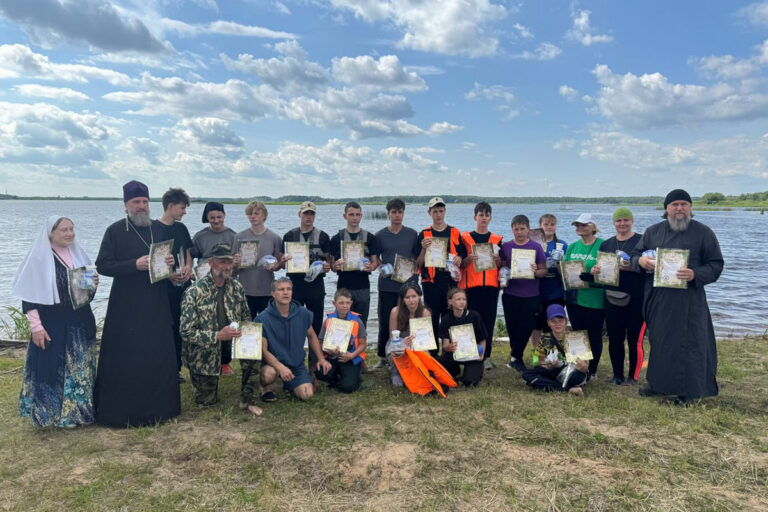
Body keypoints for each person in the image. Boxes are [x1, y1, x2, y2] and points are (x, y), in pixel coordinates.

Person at [94, 180, 180, 427]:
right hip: (126, 306)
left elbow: (166, 263)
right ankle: (125, 411)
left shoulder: (159, 230)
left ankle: (160, 409)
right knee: (128, 356)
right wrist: (134, 265)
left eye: (144, 201)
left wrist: (170, 264)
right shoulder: (114, 231)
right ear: (126, 205)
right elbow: (103, 265)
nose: (141, 206)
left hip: (156, 302)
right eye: (136, 202)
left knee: (156, 353)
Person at [633, 189, 724, 404]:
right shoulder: (653, 231)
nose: (679, 208)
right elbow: (636, 254)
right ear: (666, 209)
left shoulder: (704, 233)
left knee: (689, 344)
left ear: (690, 207)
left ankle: (688, 391)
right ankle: (657, 383)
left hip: (689, 299)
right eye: (674, 205)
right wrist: (641, 262)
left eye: (684, 204)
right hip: (658, 297)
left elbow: (716, 264)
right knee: (659, 340)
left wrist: (695, 274)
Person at [13, 216, 99, 428]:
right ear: (50, 233)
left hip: (79, 320)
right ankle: (50, 415)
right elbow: (30, 297)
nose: (70, 233)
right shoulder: (39, 259)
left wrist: (92, 284)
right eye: (64, 230)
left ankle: (79, 413)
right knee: (53, 369)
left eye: (72, 229)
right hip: (52, 322)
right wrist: (36, 327)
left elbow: (83, 294)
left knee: (79, 368)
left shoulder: (78, 256)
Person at [180, 243, 262, 416]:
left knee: (254, 350)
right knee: (206, 401)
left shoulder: (237, 287)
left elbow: (246, 318)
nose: (227, 266)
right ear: (211, 262)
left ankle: (248, 399)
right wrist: (218, 335)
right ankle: (204, 382)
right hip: (206, 350)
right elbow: (186, 332)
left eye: (230, 262)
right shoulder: (194, 292)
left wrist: (248, 337)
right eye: (222, 262)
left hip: (232, 342)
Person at [256, 277, 331, 401]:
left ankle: (289, 383)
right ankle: (265, 388)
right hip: (272, 364)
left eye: (288, 289)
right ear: (273, 294)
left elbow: (312, 336)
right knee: (269, 375)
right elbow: (263, 351)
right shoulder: (262, 318)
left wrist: (321, 358)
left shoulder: (303, 313)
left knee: (307, 394)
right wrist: (280, 367)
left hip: (295, 364)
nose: (285, 292)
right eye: (281, 290)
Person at [592, 207, 644, 385]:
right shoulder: (606, 244)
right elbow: (602, 271)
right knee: (615, 339)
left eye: (626, 220)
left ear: (632, 221)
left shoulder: (642, 241)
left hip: (636, 298)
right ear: (614, 223)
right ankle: (617, 376)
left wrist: (631, 266)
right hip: (611, 297)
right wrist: (596, 270)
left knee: (634, 340)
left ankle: (633, 377)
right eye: (618, 220)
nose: (622, 224)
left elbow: (650, 269)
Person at [282, 201, 332, 372]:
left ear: (314, 216)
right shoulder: (289, 236)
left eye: (311, 214)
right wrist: (282, 261)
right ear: (300, 215)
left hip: (316, 286)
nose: (308, 217)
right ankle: (293, 364)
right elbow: (282, 262)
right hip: (295, 286)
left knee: (315, 325)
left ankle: (314, 366)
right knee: (293, 324)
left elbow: (329, 262)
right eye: (306, 213)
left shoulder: (323, 236)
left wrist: (327, 266)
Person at [373, 198, 419, 370]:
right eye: (394, 212)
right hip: (387, 285)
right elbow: (375, 258)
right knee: (385, 320)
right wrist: (382, 267)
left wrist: (414, 267)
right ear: (388, 214)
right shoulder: (380, 235)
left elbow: (417, 258)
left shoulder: (412, 234)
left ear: (403, 213)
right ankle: (383, 356)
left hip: (408, 285)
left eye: (400, 212)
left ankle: (411, 350)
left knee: (410, 319)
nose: (397, 215)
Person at [192, 201, 237, 375]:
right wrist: (191, 270)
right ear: (207, 218)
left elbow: (236, 261)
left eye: (219, 217)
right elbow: (191, 255)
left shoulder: (233, 236)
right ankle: (207, 358)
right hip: (205, 285)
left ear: (224, 216)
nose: (216, 220)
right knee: (207, 322)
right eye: (212, 217)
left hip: (225, 284)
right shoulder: (200, 236)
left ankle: (225, 361)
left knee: (225, 319)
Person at [415, 197, 465, 354]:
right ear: (429, 212)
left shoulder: (455, 232)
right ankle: (433, 353)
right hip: (431, 283)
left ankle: (450, 352)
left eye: (441, 211)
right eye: (435, 211)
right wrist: (423, 249)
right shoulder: (424, 234)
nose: (438, 214)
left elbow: (462, 257)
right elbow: (417, 263)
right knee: (431, 317)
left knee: (450, 317)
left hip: (451, 282)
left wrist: (459, 258)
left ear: (445, 211)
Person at [458, 201, 502, 371]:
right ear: (475, 217)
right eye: (481, 215)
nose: (483, 218)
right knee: (470, 322)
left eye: (486, 215)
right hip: (470, 287)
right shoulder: (465, 238)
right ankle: (469, 353)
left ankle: (486, 356)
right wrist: (468, 259)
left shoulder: (497, 240)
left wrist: (499, 260)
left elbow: (502, 264)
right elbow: (460, 263)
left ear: (490, 218)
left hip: (490, 287)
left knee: (488, 322)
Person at [500, 215, 548, 371]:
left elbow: (543, 270)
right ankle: (517, 358)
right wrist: (502, 276)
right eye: (516, 229)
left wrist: (535, 271)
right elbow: (502, 267)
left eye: (522, 229)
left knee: (526, 327)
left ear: (528, 229)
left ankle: (515, 356)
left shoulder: (536, 247)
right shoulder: (506, 247)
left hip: (531, 294)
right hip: (511, 293)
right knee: (512, 327)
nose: (519, 232)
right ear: (512, 229)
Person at [564, 213, 605, 379]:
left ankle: (592, 370)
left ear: (593, 227)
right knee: (577, 334)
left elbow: (609, 272)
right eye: (577, 225)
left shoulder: (602, 245)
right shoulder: (572, 246)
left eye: (584, 225)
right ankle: (579, 367)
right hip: (574, 297)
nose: (580, 228)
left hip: (594, 298)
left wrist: (595, 273)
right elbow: (566, 270)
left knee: (594, 335)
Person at [158, 187, 193, 382]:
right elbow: (155, 261)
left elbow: (187, 251)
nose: (184, 212)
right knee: (166, 328)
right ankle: (164, 368)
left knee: (181, 327)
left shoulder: (181, 228)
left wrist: (188, 267)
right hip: (164, 289)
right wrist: (169, 276)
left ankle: (177, 369)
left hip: (184, 286)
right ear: (170, 206)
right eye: (182, 208)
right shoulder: (155, 229)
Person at [330, 201, 380, 326]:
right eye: (351, 214)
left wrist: (371, 267)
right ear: (345, 216)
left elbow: (375, 262)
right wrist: (335, 266)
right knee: (342, 325)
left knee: (361, 324)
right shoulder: (336, 238)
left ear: (361, 216)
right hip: (343, 286)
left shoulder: (370, 238)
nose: (354, 218)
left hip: (363, 286)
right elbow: (332, 265)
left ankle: (361, 339)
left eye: (357, 214)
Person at [522, 304, 589, 396]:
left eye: (561, 321)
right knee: (527, 374)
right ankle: (567, 389)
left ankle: (551, 385)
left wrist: (582, 368)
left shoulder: (577, 338)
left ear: (566, 321)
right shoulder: (544, 339)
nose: (557, 324)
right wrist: (549, 366)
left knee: (577, 377)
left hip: (572, 374)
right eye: (553, 321)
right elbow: (539, 364)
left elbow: (585, 367)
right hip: (553, 373)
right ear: (548, 323)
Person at [233, 200, 285, 317]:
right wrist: (236, 264)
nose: (253, 216)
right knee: (246, 325)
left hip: (267, 290)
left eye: (256, 213)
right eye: (250, 213)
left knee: (266, 325)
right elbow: (232, 269)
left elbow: (280, 265)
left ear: (264, 216)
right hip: (245, 290)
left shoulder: (274, 238)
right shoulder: (239, 237)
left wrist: (276, 266)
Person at [315, 288, 367, 393]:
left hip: (351, 357)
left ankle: (354, 376)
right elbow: (320, 342)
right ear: (334, 303)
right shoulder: (328, 321)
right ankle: (336, 377)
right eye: (341, 303)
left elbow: (363, 344)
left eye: (347, 303)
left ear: (351, 303)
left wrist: (352, 355)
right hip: (332, 356)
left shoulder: (357, 321)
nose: (345, 306)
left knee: (348, 388)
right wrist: (328, 350)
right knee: (319, 373)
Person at [530, 214, 568, 348]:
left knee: (554, 324)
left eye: (552, 224)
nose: (549, 227)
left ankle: (553, 353)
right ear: (540, 226)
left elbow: (566, 272)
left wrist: (559, 264)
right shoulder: (534, 244)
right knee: (537, 325)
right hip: (537, 290)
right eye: (546, 224)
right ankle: (536, 354)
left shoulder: (562, 245)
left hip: (556, 292)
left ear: (556, 226)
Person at [438, 288, 487, 387]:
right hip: (455, 353)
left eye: (464, 299)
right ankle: (454, 371)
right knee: (444, 370)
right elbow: (445, 345)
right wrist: (449, 347)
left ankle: (471, 373)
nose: (462, 302)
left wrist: (481, 356)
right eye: (458, 299)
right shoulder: (446, 319)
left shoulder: (474, 316)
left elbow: (483, 338)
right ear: (450, 301)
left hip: (472, 354)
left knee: (469, 381)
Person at [386, 282, 432, 387]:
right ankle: (395, 372)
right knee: (394, 350)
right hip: (399, 341)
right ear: (402, 299)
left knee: (425, 355)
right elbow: (392, 336)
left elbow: (427, 337)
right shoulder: (395, 311)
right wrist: (401, 343)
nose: (411, 300)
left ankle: (417, 370)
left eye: (414, 296)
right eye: (407, 297)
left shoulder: (425, 313)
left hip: (418, 343)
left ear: (419, 296)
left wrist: (416, 344)